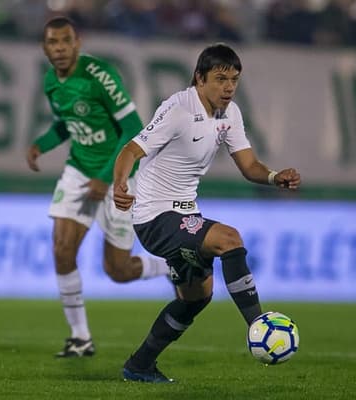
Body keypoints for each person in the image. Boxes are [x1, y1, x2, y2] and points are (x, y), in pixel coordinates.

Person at [113, 43, 301, 383]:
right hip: (155, 215)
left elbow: (249, 166)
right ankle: (260, 327)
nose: (228, 87)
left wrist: (274, 177)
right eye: (220, 79)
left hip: (183, 213)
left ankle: (139, 365)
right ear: (199, 78)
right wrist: (120, 185)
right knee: (229, 239)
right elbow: (131, 149)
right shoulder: (178, 109)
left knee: (196, 298)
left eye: (234, 80)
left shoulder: (231, 114)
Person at [26, 16, 171, 358]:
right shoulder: (51, 81)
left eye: (66, 41)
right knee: (62, 250)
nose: (60, 48)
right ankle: (80, 338)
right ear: (45, 47)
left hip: (117, 174)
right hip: (78, 170)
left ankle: (171, 267)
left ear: (78, 43)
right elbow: (66, 125)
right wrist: (41, 145)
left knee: (118, 271)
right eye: (53, 43)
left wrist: (107, 177)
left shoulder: (98, 76)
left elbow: (134, 127)